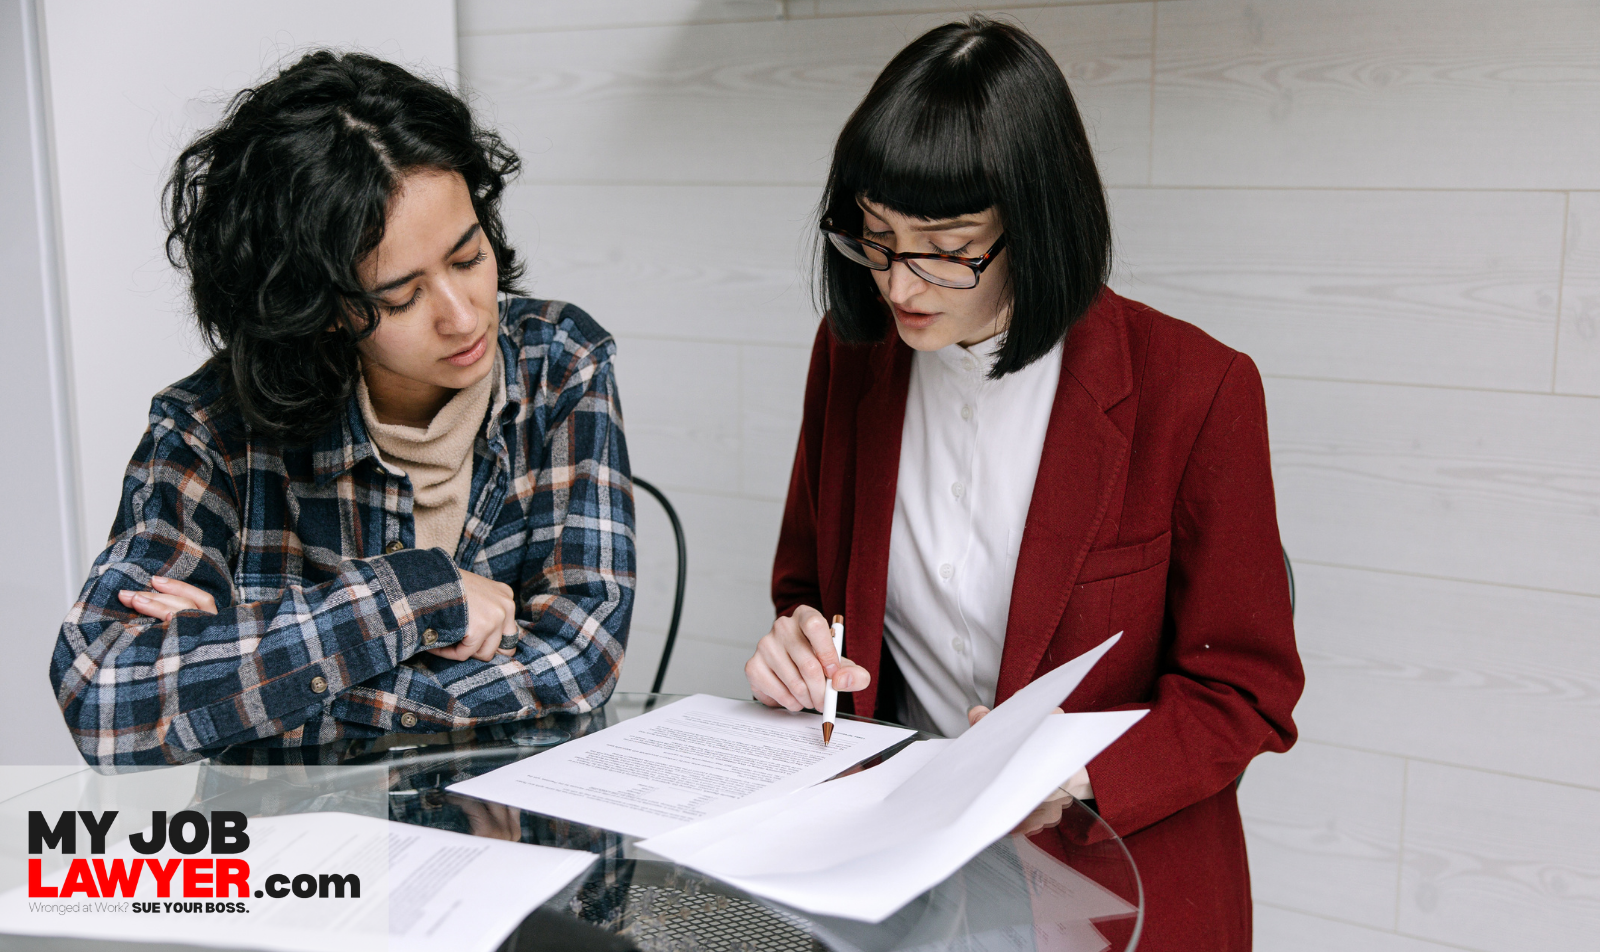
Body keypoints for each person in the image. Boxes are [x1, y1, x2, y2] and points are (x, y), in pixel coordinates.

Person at [744, 17, 1303, 951]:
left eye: (947, 244)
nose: (901, 283)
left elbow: (1245, 691)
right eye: (876, 238)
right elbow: (810, 590)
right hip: (896, 867)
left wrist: (1074, 767)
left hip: (1104, 878)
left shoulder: (1196, 390)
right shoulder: (852, 360)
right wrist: (800, 647)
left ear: (1037, 221)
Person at [51, 51, 635, 766]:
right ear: (319, 306)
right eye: (400, 296)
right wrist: (418, 596)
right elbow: (105, 698)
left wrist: (255, 671)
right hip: (302, 864)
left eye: (467, 256)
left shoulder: (562, 365)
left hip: (513, 835)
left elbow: (581, 662)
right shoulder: (210, 429)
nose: (461, 317)